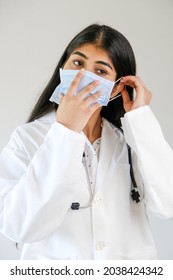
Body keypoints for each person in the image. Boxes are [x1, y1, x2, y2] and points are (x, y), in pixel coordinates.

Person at [0, 24, 173, 260]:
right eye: (78, 63)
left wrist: (141, 120)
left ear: (116, 87)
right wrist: (66, 131)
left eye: (101, 71)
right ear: (63, 67)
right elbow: (18, 227)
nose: (83, 76)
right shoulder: (28, 139)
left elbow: (168, 204)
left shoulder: (131, 141)